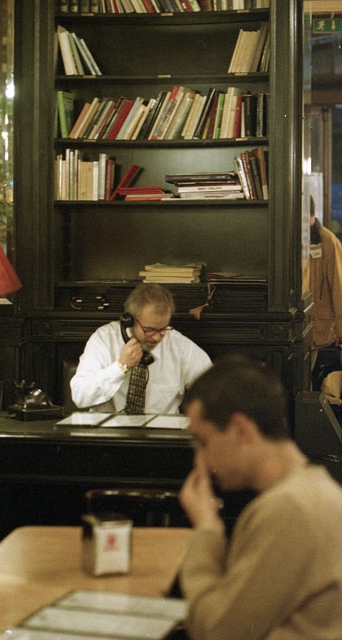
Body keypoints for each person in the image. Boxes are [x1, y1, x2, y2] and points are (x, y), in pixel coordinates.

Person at [178, 354, 342, 640]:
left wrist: (206, 530)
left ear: (240, 430)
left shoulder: (289, 509)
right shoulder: (313, 489)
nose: (200, 459)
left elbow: (219, 632)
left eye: (204, 441)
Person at [70, 283, 212, 414]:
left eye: (163, 329)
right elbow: (80, 396)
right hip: (109, 430)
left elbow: (215, 391)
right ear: (130, 320)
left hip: (161, 430)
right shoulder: (104, 340)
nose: (157, 337)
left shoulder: (179, 346)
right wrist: (120, 366)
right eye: (149, 330)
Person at [303, 196, 342, 390]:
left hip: (319, 328)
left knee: (306, 382)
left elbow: (339, 288)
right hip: (300, 325)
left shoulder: (328, 241)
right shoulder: (297, 238)